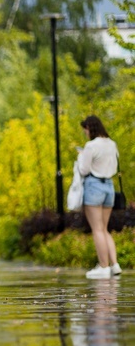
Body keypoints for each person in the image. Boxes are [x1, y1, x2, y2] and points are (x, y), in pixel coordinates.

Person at [77, 115, 121, 279]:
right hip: (109, 186)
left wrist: (81, 157)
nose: (86, 134)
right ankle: (114, 264)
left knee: (97, 229)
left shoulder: (91, 146)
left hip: (94, 186)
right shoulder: (112, 144)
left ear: (90, 128)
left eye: (86, 130)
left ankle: (103, 266)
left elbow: (84, 170)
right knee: (104, 228)